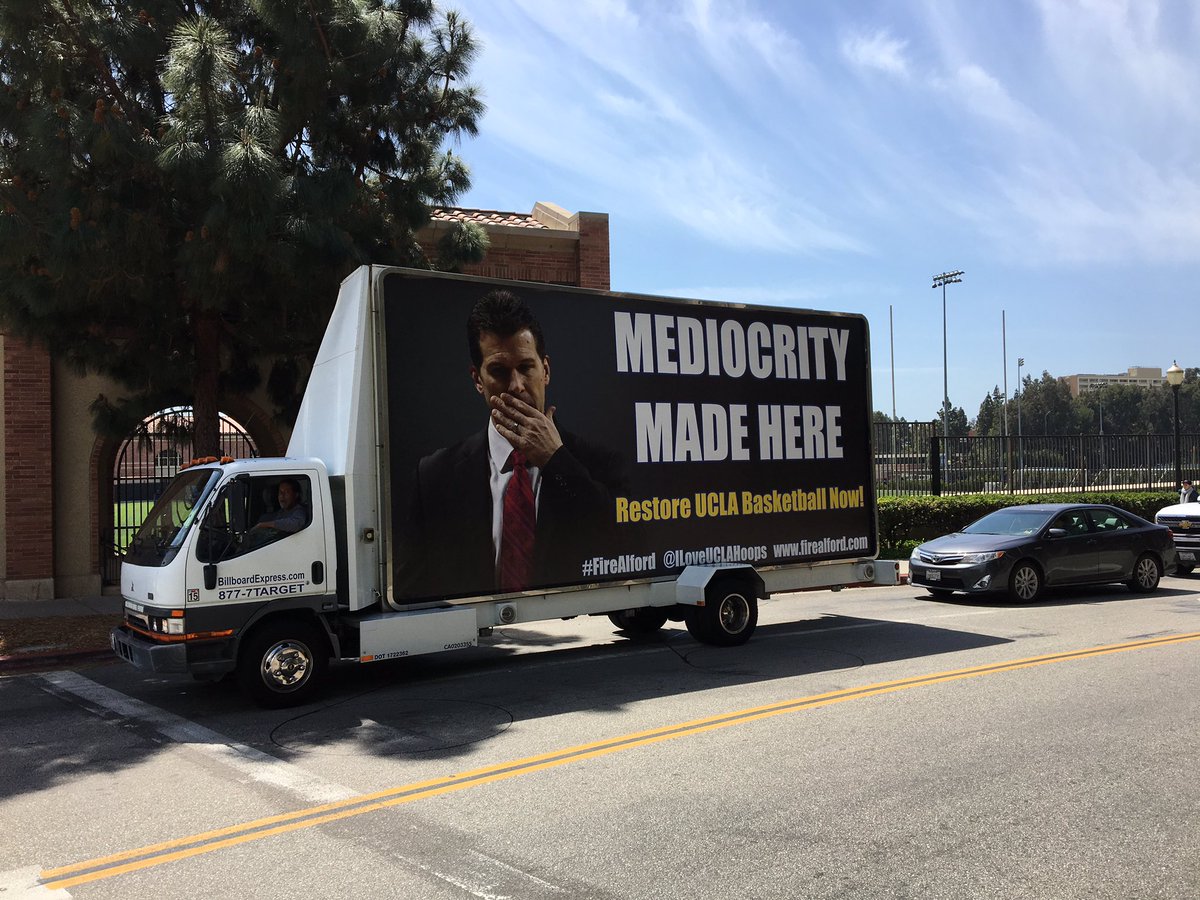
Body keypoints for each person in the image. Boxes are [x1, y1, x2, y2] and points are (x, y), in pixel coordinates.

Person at [395, 289, 628, 601]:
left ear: (545, 370)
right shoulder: (435, 475)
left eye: (526, 367)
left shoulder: (597, 462)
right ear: (477, 379)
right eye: (499, 371)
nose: (517, 386)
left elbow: (624, 545)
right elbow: (413, 591)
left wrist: (556, 461)